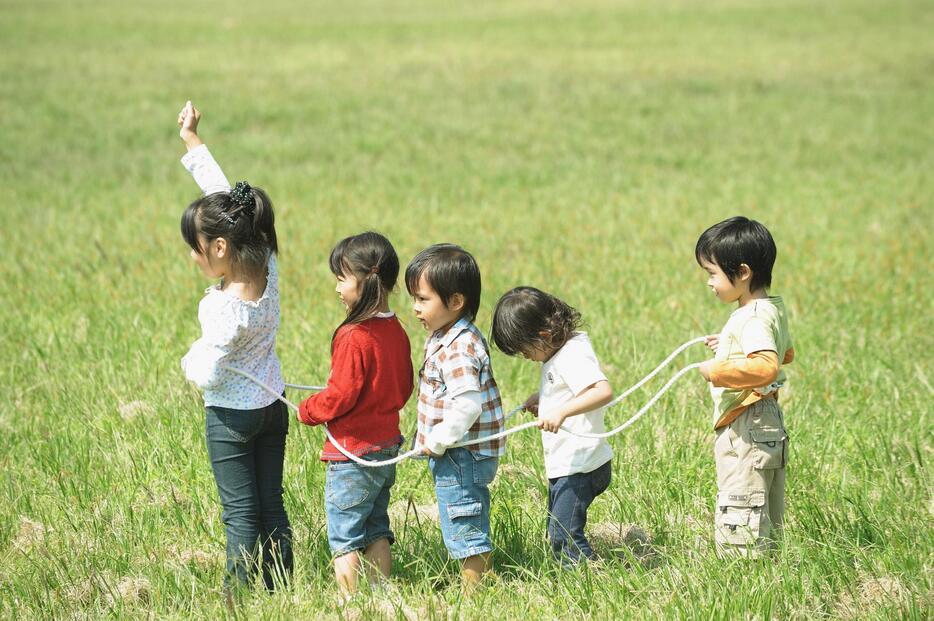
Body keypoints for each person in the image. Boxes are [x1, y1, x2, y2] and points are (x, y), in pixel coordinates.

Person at [176, 101, 292, 590]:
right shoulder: (265, 260)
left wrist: (187, 359)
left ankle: (239, 599)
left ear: (219, 247)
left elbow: (204, 371)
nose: (193, 254)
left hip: (231, 417)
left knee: (240, 515)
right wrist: (192, 141)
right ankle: (282, 585)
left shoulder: (226, 311)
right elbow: (227, 200)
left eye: (196, 247)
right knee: (271, 505)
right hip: (272, 405)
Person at [297, 232, 413, 596]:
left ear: (364, 281)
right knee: (376, 527)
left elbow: (340, 397)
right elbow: (405, 386)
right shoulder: (396, 330)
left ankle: (350, 602)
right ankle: (380, 594)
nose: (336, 288)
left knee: (345, 535)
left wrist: (308, 410)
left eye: (340, 278)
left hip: (352, 453)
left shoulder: (352, 335)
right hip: (387, 448)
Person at [491, 286, 614, 565]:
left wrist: (560, 412)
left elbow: (601, 391)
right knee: (557, 527)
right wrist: (544, 401)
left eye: (525, 351)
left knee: (564, 534)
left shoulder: (571, 355)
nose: (526, 358)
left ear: (544, 336)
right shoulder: (558, 352)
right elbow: (568, 389)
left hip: (581, 465)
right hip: (567, 464)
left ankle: (586, 582)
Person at [405, 244, 504, 588]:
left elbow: (467, 404)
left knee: (465, 520)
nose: (415, 308)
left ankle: (476, 591)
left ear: (456, 301)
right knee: (459, 515)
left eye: (422, 299)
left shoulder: (458, 347)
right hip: (457, 451)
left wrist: (438, 439)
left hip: (462, 453)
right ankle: (474, 582)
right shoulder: (445, 335)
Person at [695, 216, 795, 557]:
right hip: (766, 420)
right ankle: (766, 563)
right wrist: (730, 343)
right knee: (763, 505)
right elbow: (786, 353)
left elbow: (766, 366)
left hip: (747, 424)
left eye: (712, 273)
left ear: (742, 272)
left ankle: (743, 572)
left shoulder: (750, 317)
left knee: (742, 502)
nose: (709, 283)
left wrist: (718, 370)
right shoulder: (770, 310)